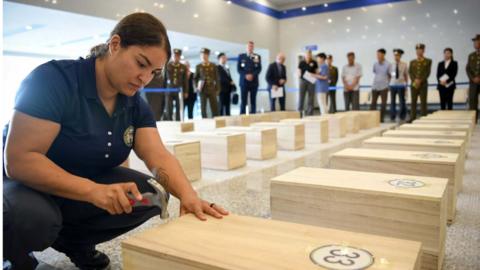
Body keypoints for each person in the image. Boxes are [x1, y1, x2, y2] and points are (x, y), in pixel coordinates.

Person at [2, 13, 228, 270]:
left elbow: (158, 155)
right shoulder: (53, 81)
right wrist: (93, 191)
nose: (144, 78)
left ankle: (75, 243)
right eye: (140, 64)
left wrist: (189, 197)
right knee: (33, 219)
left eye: (153, 72)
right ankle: (16, 256)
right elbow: (20, 161)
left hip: (82, 180)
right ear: (115, 44)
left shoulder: (133, 102)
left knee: (151, 193)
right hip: (25, 186)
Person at [195, 48, 221, 118]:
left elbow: (217, 78)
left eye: (205, 55)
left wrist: (218, 89)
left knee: (215, 107)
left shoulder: (213, 65)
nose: (204, 56)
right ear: (200, 56)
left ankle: (216, 121)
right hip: (202, 90)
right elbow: (195, 78)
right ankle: (204, 122)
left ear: (208, 55)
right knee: (203, 108)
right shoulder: (198, 66)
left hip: (212, 89)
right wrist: (196, 87)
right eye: (202, 55)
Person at [409, 43, 432, 121]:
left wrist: (420, 80)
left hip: (423, 84)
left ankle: (423, 117)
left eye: (420, 50)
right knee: (413, 102)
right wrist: (414, 80)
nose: (419, 51)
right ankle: (412, 117)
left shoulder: (428, 61)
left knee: (423, 102)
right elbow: (410, 72)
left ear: (423, 50)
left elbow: (427, 72)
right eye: (417, 50)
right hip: (414, 84)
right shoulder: (412, 62)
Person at [237, 41, 262, 114]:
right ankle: (242, 116)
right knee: (243, 101)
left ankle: (253, 115)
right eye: (249, 46)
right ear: (246, 47)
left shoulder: (256, 56)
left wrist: (252, 75)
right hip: (244, 82)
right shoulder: (241, 56)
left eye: (251, 46)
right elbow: (239, 69)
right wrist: (246, 75)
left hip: (254, 82)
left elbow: (259, 68)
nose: (250, 48)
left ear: (253, 48)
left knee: (253, 101)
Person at [164, 48, 189, 121]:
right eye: (174, 55)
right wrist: (163, 90)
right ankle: (169, 122)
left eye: (177, 56)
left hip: (179, 90)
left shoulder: (183, 67)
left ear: (180, 57)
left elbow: (185, 80)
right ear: (172, 56)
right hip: (169, 89)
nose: (176, 57)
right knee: (169, 108)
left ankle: (179, 122)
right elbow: (164, 79)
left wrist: (186, 91)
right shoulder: (167, 65)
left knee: (179, 108)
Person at [370, 48, 392, 122]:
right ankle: (372, 119)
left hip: (384, 87)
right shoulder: (375, 64)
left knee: (383, 104)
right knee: (373, 104)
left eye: (379, 54)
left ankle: (381, 119)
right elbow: (375, 72)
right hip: (375, 86)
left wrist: (388, 84)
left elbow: (390, 75)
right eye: (377, 54)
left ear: (383, 55)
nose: (378, 56)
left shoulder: (388, 64)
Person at [390, 49, 409, 121]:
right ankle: (392, 116)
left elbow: (406, 75)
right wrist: (389, 83)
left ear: (400, 56)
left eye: (397, 55)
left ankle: (402, 116)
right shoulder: (391, 64)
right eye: (395, 55)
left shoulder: (404, 64)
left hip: (401, 85)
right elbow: (389, 75)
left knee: (402, 101)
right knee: (392, 102)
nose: (396, 57)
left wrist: (406, 86)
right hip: (393, 85)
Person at [297, 50, 317, 116]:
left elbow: (316, 72)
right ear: (305, 55)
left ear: (311, 55)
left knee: (311, 98)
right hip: (303, 81)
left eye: (309, 54)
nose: (308, 55)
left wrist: (313, 76)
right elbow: (298, 71)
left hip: (311, 81)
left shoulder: (314, 62)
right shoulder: (301, 62)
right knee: (301, 97)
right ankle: (299, 113)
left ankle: (310, 113)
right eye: (307, 54)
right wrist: (299, 75)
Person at [466, 34, 480, 122]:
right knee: (472, 103)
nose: (475, 43)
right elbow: (468, 68)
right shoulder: (471, 55)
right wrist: (473, 78)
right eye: (474, 42)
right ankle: (473, 122)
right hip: (473, 83)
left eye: (477, 41)